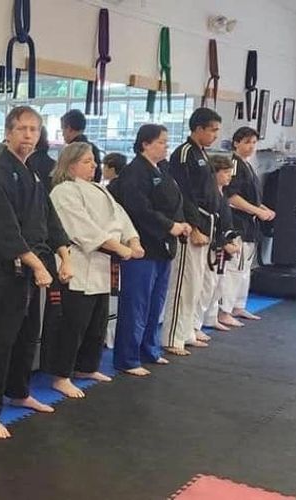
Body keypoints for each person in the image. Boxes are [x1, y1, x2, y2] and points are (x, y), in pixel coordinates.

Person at [0, 105, 71, 440]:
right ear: (8, 132)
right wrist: (37, 264)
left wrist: (63, 253)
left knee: (28, 334)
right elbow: (4, 228)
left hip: (33, 268)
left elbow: (48, 217)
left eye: (34, 130)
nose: (29, 136)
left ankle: (19, 390)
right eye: (22, 129)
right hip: (8, 269)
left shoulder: (32, 173)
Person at [45, 142, 143, 397]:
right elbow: (80, 228)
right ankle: (61, 375)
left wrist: (133, 241)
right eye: (87, 161)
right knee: (72, 324)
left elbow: (121, 217)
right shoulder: (63, 191)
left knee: (96, 321)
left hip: (101, 265)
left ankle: (86, 367)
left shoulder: (100, 189)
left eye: (93, 161)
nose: (93, 166)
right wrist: (118, 248)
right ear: (70, 164)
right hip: (78, 263)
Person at [112, 124, 190, 376]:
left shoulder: (162, 170)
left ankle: (149, 349)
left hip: (163, 247)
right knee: (136, 303)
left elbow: (174, 202)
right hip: (142, 246)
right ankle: (128, 358)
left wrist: (181, 225)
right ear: (145, 143)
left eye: (167, 142)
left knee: (155, 302)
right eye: (161, 142)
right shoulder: (134, 172)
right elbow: (139, 209)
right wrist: (170, 226)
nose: (166, 146)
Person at [163, 108, 223, 355]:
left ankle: (187, 332)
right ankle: (172, 338)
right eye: (212, 130)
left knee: (197, 285)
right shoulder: (184, 153)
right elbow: (184, 194)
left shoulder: (203, 154)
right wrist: (195, 226)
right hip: (191, 226)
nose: (215, 135)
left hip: (207, 222)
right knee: (183, 285)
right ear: (198, 129)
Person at [223, 126, 274, 321]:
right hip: (237, 223)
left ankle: (237, 306)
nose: (251, 146)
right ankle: (225, 310)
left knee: (245, 270)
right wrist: (256, 211)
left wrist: (264, 208)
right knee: (234, 269)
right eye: (247, 142)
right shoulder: (234, 165)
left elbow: (251, 197)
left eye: (254, 142)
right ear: (236, 143)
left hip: (250, 224)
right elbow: (231, 196)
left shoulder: (248, 166)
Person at [198, 156, 241, 333]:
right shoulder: (210, 195)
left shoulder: (222, 194)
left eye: (230, 172)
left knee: (217, 286)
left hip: (224, 243)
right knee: (206, 288)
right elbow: (212, 225)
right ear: (214, 174)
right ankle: (195, 326)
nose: (228, 176)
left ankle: (211, 317)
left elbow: (226, 223)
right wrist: (223, 243)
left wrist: (231, 241)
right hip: (214, 246)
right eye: (224, 172)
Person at [61, 109, 103, 182]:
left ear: (69, 128)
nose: (62, 134)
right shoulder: (94, 148)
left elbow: (63, 177)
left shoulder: (71, 151)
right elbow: (98, 176)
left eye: (63, 129)